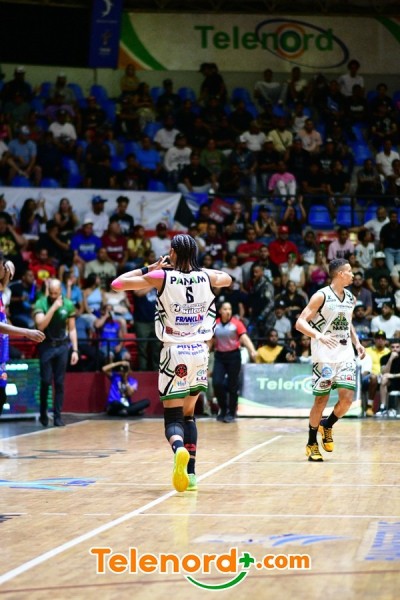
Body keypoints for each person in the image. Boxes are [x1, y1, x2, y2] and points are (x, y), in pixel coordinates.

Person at [111, 234, 231, 493]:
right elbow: (227, 278)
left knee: (173, 418)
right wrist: (197, 270)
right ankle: (192, 474)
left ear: (173, 253)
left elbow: (117, 284)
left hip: (175, 351)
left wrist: (149, 268)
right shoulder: (207, 277)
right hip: (200, 351)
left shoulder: (161, 276)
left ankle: (178, 450)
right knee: (189, 414)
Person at [295, 258, 365, 462]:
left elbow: (347, 323)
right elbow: (300, 323)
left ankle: (327, 425)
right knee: (321, 400)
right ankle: (311, 443)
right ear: (340, 274)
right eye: (350, 271)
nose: (353, 275)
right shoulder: (321, 296)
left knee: (347, 399)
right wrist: (319, 336)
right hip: (324, 355)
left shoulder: (351, 297)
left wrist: (357, 343)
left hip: (345, 353)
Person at [0, 257, 45, 455]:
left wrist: (8, 269)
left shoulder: (1, 291)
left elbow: (3, 284)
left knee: (1, 396)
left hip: (1, 353)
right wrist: (26, 332)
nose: (5, 269)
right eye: (2, 267)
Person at [33, 278, 79, 427]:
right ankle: (43, 413)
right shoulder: (41, 303)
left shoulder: (68, 304)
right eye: (51, 293)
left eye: (56, 293)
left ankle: (57, 416)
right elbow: (40, 326)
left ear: (61, 291)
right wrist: (53, 308)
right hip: (46, 346)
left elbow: (72, 329)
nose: (53, 296)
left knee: (59, 383)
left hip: (62, 347)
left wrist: (75, 350)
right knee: (46, 381)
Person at [212, 301, 256, 423]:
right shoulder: (215, 324)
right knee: (217, 383)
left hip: (234, 356)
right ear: (220, 311)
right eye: (225, 309)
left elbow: (244, 338)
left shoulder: (237, 323)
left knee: (233, 385)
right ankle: (223, 409)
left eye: (229, 309)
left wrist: (252, 350)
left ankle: (231, 412)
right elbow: (211, 340)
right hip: (220, 356)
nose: (228, 311)